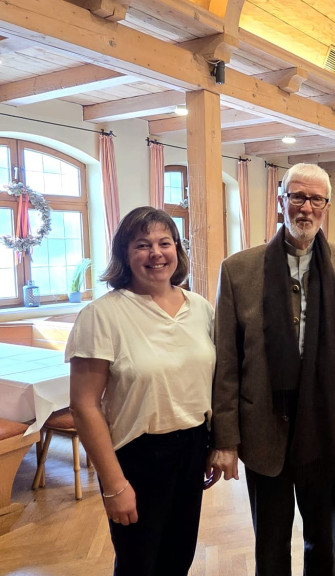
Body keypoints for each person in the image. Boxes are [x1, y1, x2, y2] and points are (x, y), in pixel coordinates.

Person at [209, 163, 335, 576]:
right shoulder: (238, 270)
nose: (306, 208)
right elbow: (227, 365)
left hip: (325, 431)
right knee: (270, 543)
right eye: (297, 197)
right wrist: (226, 441)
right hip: (264, 432)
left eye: (315, 199)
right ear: (281, 201)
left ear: (326, 206)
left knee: (323, 540)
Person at [66, 207, 215, 576]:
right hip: (137, 455)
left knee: (178, 558)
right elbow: (84, 406)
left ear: (177, 251)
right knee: (137, 564)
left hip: (193, 446)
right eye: (142, 245)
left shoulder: (200, 308)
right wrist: (114, 484)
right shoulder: (101, 315)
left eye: (165, 243)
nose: (155, 253)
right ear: (124, 254)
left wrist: (215, 445)